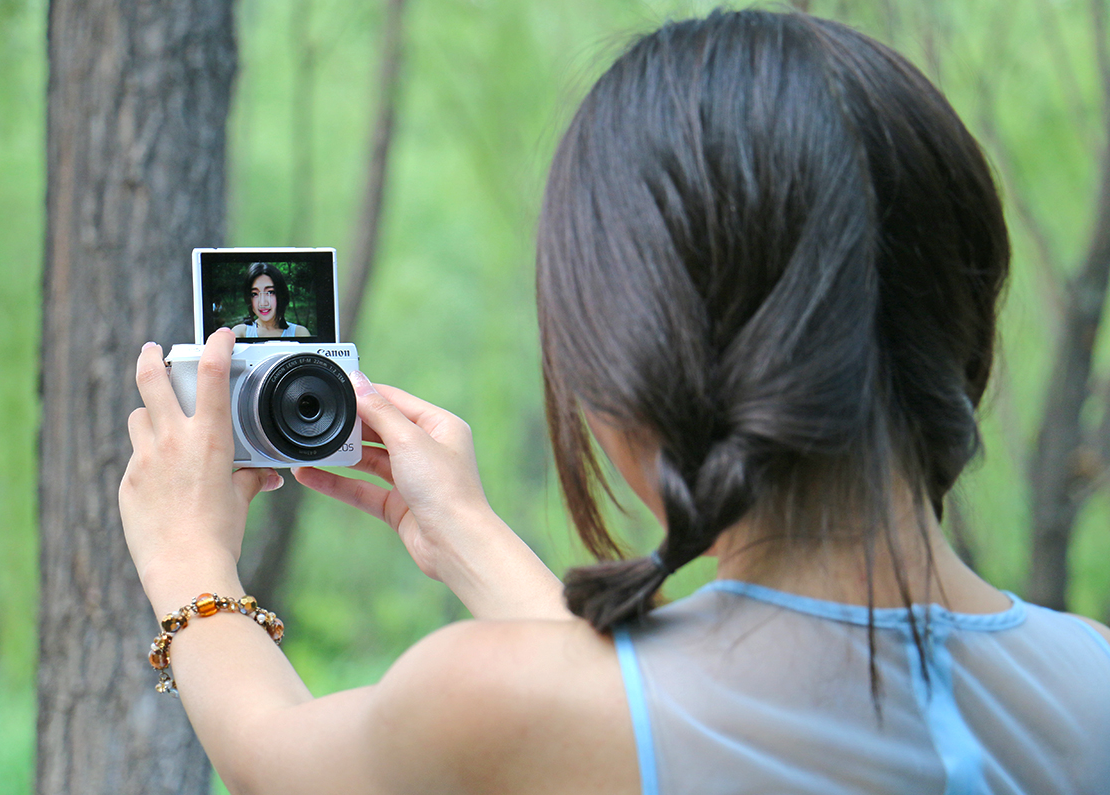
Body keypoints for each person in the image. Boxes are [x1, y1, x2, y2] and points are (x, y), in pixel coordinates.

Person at [120, 9, 1110, 794]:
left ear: (632, 366)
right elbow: (634, 708)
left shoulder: (494, 703)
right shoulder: (1093, 681)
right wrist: (465, 533)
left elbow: (272, 756)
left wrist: (186, 555)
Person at [230, 261, 311, 338]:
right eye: (254, 294)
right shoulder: (240, 333)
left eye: (270, 292)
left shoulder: (299, 333)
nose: (263, 303)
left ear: (281, 294)